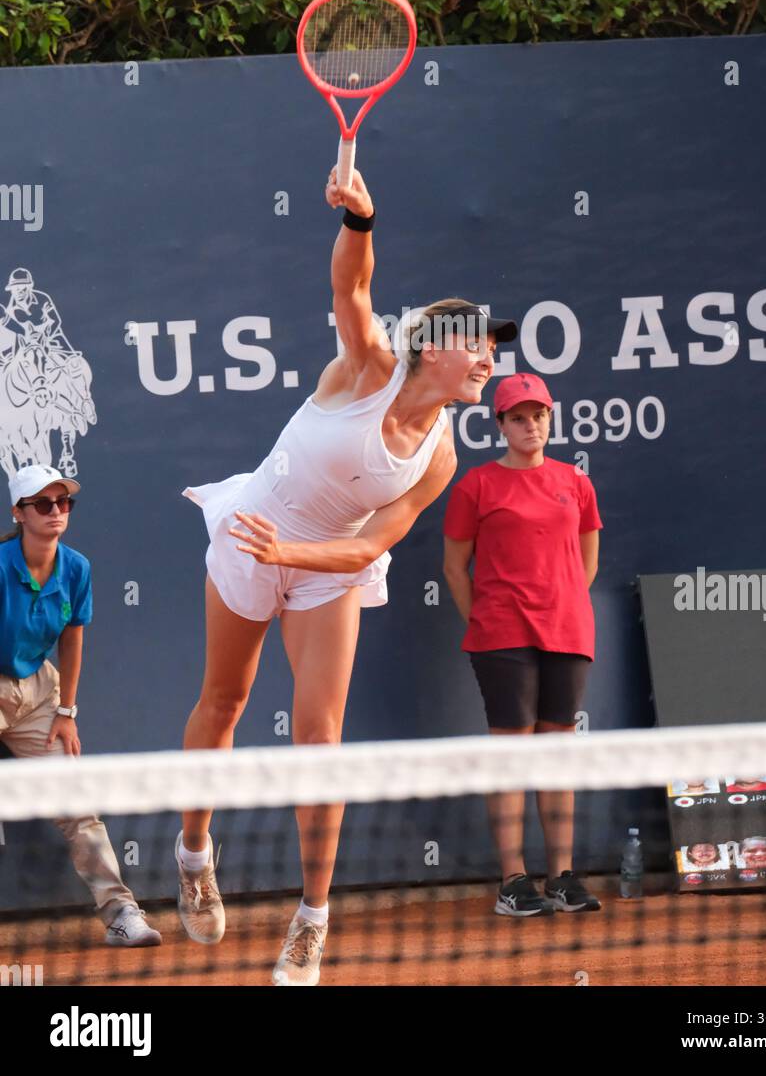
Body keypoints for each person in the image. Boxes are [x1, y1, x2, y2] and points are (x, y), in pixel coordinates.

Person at [179, 164, 517, 986]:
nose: (490, 361)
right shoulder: (367, 367)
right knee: (224, 701)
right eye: (478, 345)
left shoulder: (441, 456)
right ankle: (193, 851)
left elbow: (371, 548)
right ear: (433, 349)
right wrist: (362, 220)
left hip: (320, 566)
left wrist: (291, 556)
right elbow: (351, 288)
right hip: (251, 530)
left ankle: (312, 920)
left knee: (321, 738)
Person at [442, 374, 603, 917]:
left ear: (550, 419)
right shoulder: (476, 486)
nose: (530, 424)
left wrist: (565, 606)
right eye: (518, 417)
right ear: (500, 425)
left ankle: (562, 877)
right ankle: (513, 879)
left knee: (556, 752)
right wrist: (485, 621)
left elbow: (587, 559)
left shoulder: (575, 483)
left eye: (538, 415)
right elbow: (454, 567)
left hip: (567, 630)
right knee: (512, 755)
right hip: (502, 634)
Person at [0, 464, 161, 947]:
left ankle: (121, 914)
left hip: (38, 693)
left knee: (78, 807)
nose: (56, 512)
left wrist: (66, 711)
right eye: (43, 504)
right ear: (19, 513)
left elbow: (72, 639)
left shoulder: (76, 568)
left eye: (63, 503)